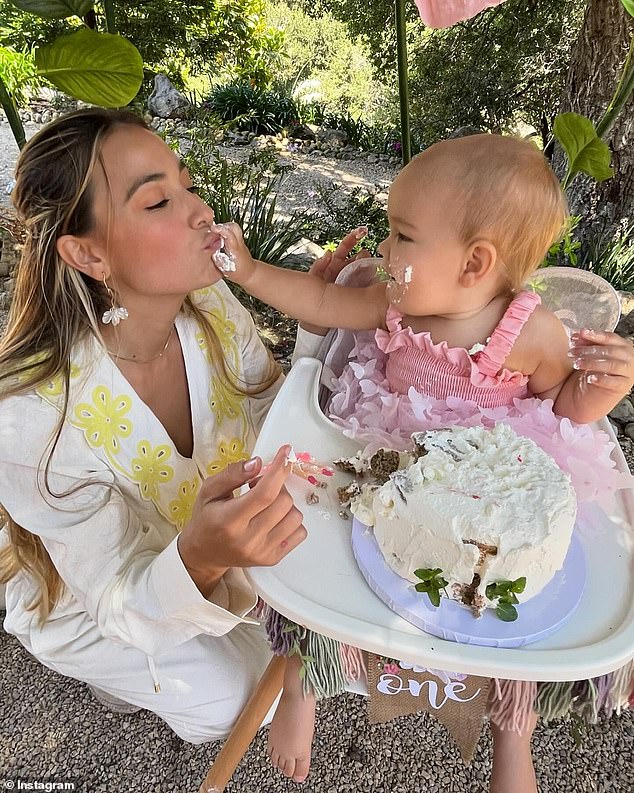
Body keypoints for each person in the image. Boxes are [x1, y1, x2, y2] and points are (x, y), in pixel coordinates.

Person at [213, 133, 634, 792]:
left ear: (474, 264)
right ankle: (304, 673)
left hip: (489, 487)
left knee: (513, 605)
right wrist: (249, 272)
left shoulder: (532, 332)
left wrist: (601, 390)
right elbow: (321, 304)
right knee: (314, 542)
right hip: (389, 457)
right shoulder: (393, 301)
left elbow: (564, 404)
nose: (385, 250)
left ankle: (511, 728)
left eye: (403, 236)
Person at [0, 107, 363, 756]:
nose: (201, 211)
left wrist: (316, 322)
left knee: (329, 641)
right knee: (239, 699)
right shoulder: (30, 415)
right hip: (90, 594)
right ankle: (113, 674)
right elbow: (113, 585)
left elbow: (269, 416)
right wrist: (198, 558)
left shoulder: (212, 308)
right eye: (159, 199)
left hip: (190, 547)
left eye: (188, 184)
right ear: (87, 252)